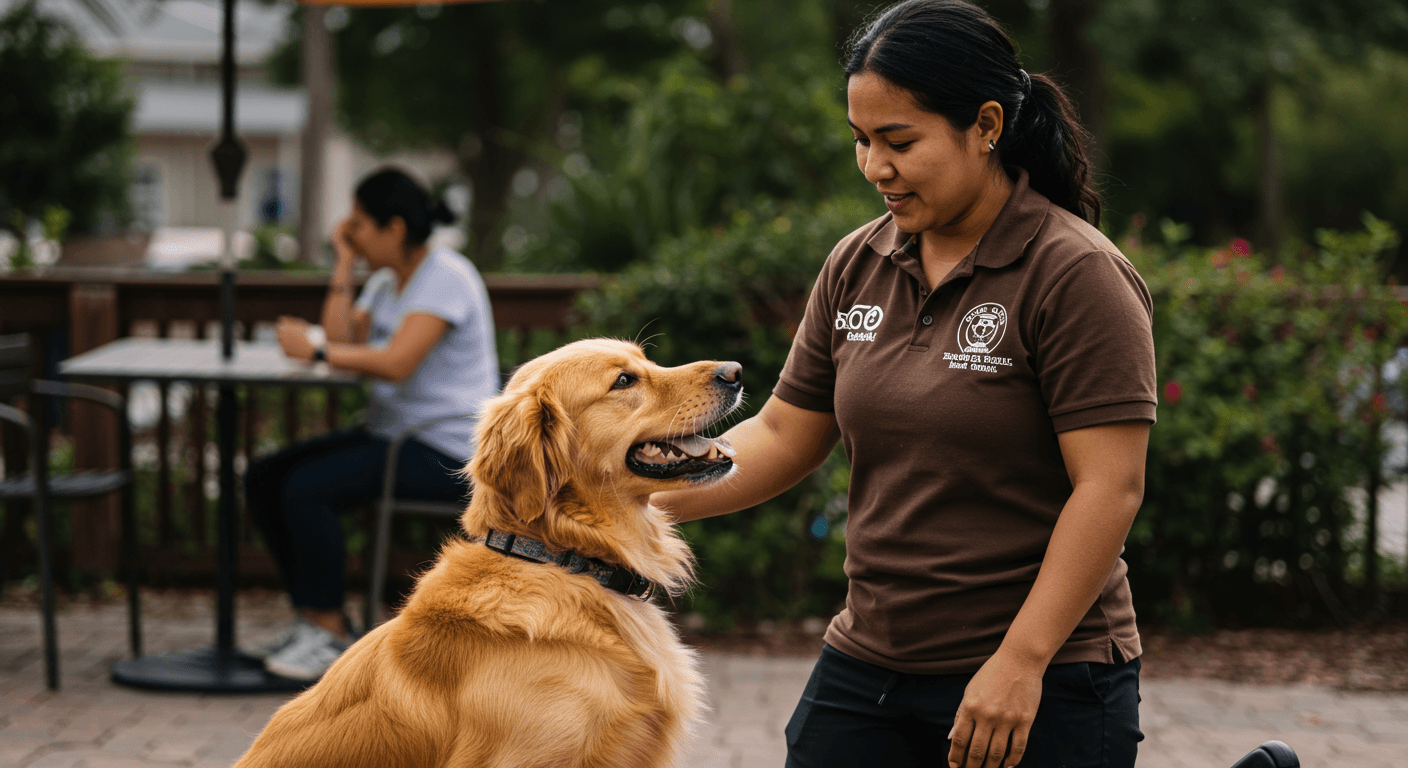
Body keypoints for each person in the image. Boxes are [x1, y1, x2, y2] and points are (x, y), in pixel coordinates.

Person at [652, 2, 1155, 767]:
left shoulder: (1076, 273)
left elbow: (1109, 488)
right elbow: (786, 434)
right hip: (871, 665)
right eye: (861, 141)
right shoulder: (858, 263)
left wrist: (1021, 663)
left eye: (899, 141)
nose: (874, 167)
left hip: (1042, 672)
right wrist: (616, 499)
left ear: (986, 126)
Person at [242, 167, 500, 681]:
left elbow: (396, 361)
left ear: (395, 228)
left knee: (307, 489)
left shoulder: (446, 276)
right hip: (394, 435)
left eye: (359, 224)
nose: (349, 230)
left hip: (445, 448)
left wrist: (315, 347)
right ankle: (312, 618)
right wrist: (343, 264)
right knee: (264, 477)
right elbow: (344, 341)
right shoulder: (386, 282)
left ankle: (332, 631)